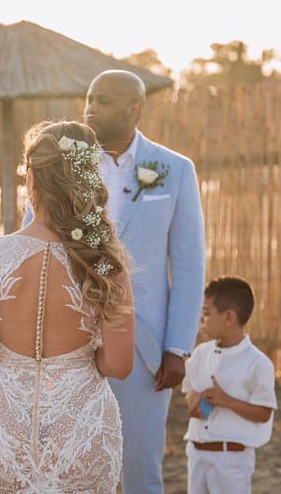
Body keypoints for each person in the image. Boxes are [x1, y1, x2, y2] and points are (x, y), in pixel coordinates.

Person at [0, 120, 135, 493]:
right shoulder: (102, 259)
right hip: (81, 431)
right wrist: (79, 357)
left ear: (32, 179)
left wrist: (9, 355)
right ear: (88, 179)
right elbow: (118, 365)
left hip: (5, 430)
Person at [83, 69, 206, 493]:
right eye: (89, 99)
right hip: (73, 339)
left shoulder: (174, 170)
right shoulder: (65, 169)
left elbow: (189, 266)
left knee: (139, 467)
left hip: (146, 345)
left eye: (103, 100)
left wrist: (177, 348)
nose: (91, 109)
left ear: (134, 109)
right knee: (77, 464)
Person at [182, 276, 277, 493]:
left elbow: (264, 413)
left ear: (228, 317)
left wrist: (227, 401)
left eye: (206, 313)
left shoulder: (258, 363)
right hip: (196, 454)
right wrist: (194, 400)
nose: (201, 319)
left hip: (231, 461)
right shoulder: (200, 354)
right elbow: (189, 393)